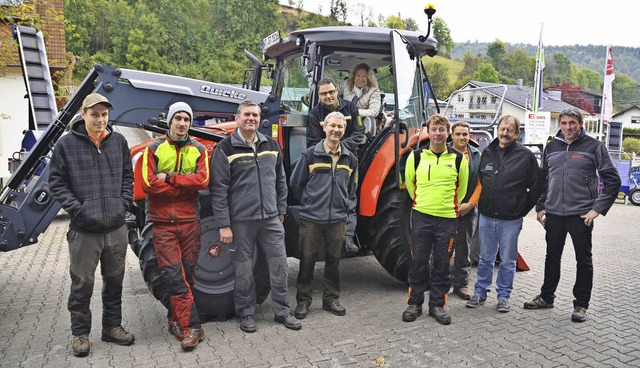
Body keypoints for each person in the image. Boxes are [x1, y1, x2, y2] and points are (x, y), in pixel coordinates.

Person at [49, 93, 135, 357]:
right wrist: (79, 210)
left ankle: (111, 327)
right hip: (85, 231)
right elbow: (56, 184)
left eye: (104, 114)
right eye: (95, 114)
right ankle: (80, 334)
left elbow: (127, 176)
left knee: (115, 281)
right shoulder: (66, 145)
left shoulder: (118, 142)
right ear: (83, 114)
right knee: (82, 284)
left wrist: (123, 203)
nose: (100, 119)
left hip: (116, 228)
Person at [210, 100, 302, 333]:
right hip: (241, 222)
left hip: (271, 219)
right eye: (247, 114)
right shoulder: (225, 148)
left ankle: (282, 311)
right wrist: (224, 225)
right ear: (238, 118)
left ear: (260, 119)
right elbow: (219, 190)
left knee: (279, 265)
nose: (252, 118)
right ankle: (246, 313)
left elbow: (281, 181)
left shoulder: (271, 144)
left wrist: (281, 210)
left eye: (255, 115)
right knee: (243, 270)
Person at [524, 107, 621, 322]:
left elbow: (612, 180)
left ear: (580, 124)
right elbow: (543, 181)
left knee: (583, 260)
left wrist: (597, 209)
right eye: (564, 123)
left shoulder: (594, 147)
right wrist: (540, 208)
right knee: (552, 257)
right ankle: (547, 297)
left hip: (581, 215)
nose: (568, 127)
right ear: (560, 125)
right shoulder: (552, 147)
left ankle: (581, 305)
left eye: (572, 123)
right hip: (554, 215)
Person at [141, 102, 209, 351]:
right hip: (163, 223)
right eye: (178, 119)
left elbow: (202, 180)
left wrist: (169, 178)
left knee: (187, 275)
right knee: (173, 275)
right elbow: (148, 183)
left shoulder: (199, 149)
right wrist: (184, 185)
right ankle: (193, 326)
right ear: (169, 122)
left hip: (189, 221)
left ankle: (174, 320)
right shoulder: (154, 148)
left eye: (186, 120)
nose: (182, 123)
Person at [466, 115, 540, 312]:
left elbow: (536, 187)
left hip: (511, 219)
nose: (505, 133)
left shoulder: (526, 156)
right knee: (485, 258)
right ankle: (480, 293)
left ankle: (503, 297)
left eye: (510, 130)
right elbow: (480, 181)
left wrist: (521, 209)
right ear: (497, 130)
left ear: (516, 133)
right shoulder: (487, 152)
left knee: (508, 261)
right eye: (502, 129)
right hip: (487, 216)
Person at [290, 111, 358, 319]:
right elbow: (296, 183)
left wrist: (346, 217)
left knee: (333, 261)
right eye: (333, 126)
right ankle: (303, 301)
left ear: (344, 131)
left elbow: (352, 191)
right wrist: (310, 203)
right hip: (311, 219)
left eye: (340, 127)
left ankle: (331, 299)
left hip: (337, 220)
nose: (336, 130)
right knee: (307, 261)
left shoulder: (350, 159)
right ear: (325, 128)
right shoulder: (310, 154)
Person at [402, 114, 468, 325]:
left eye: (442, 130)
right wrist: (424, 203)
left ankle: (437, 305)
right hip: (421, 216)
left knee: (442, 263)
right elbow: (411, 186)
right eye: (434, 129)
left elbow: (462, 189)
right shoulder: (416, 157)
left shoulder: (458, 159)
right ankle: (415, 303)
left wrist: (446, 206)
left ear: (448, 132)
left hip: (447, 219)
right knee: (419, 261)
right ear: (427, 131)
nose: (438, 133)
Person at [308, 78, 365, 254]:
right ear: (318, 95)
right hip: (326, 160)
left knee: (349, 195)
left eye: (331, 92)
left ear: (337, 91)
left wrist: (343, 147)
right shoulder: (314, 115)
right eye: (324, 93)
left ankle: (347, 235)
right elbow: (314, 141)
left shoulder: (351, 108)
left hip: (349, 159)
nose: (328, 96)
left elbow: (360, 132)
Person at [448, 121, 482, 300]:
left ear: (470, 135)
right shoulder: (444, 153)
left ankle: (461, 285)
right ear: (451, 135)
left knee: (464, 248)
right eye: (458, 134)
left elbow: (480, 182)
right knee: (442, 248)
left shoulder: (476, 155)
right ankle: (442, 282)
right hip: (445, 210)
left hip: (468, 209)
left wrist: (470, 204)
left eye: (465, 134)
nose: (462, 137)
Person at [343, 63, 382, 136]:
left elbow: (374, 111)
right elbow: (334, 91)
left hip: (361, 124)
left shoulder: (374, 90)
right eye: (358, 75)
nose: (360, 79)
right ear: (354, 76)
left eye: (364, 76)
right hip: (343, 121)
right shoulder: (347, 84)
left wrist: (354, 112)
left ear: (368, 78)